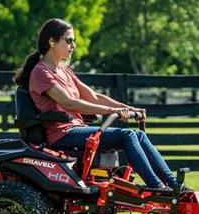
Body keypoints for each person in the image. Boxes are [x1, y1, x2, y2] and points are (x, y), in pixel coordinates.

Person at [13, 18, 179, 189]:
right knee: (127, 135)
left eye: (74, 41)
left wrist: (127, 109)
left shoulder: (64, 71)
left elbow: (94, 96)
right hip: (62, 135)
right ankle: (157, 187)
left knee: (139, 135)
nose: (73, 46)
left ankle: (174, 185)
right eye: (69, 40)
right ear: (52, 42)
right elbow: (70, 103)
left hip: (77, 130)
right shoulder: (41, 72)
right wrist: (112, 111)